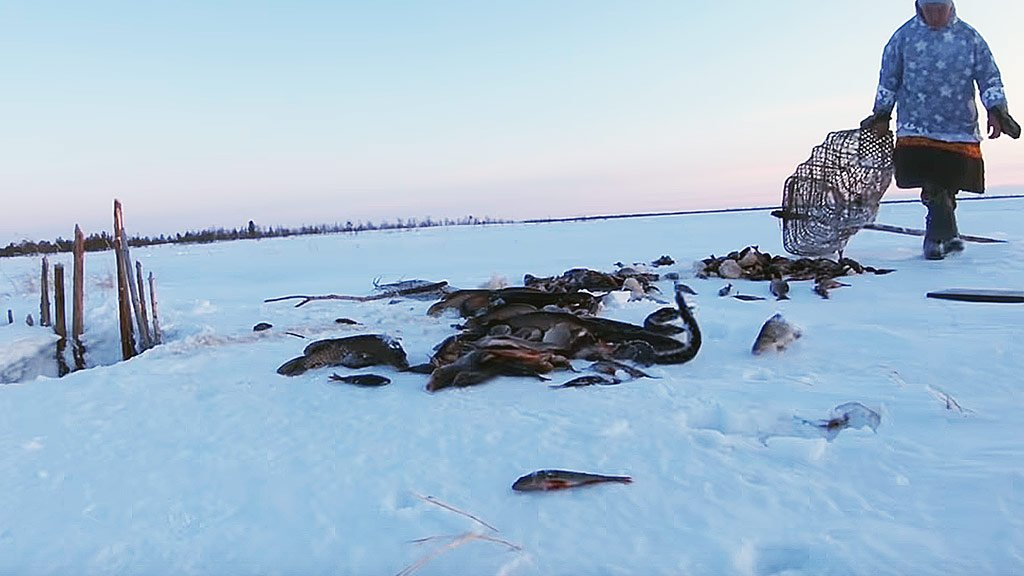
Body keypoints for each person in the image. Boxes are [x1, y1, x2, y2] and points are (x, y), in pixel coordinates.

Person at [861, 0, 1020, 260]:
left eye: (940, 8)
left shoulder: (969, 38)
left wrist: (997, 110)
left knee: (949, 182)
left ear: (950, 6)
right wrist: (881, 114)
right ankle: (936, 236)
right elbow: (888, 79)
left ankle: (947, 232)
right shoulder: (903, 38)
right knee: (932, 182)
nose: (935, 14)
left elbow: (989, 76)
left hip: (958, 127)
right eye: (930, 8)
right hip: (916, 126)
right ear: (920, 7)